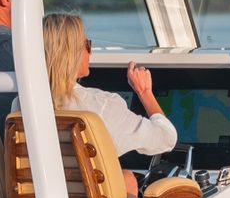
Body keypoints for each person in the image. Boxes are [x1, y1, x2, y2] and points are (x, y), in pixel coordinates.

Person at [43, 10, 178, 161]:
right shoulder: (103, 106)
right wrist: (145, 92)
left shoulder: (20, 105)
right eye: (87, 44)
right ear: (72, 54)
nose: (90, 52)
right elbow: (166, 138)